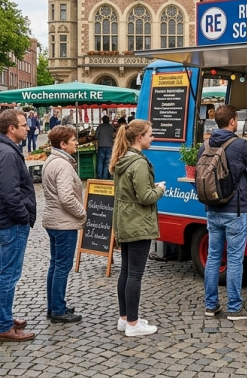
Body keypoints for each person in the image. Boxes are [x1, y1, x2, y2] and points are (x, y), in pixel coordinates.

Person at [201, 105, 247, 321]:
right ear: (233, 121)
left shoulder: (204, 145)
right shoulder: (239, 145)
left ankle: (210, 305)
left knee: (214, 257)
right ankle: (234, 308)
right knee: (234, 259)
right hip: (236, 211)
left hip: (212, 209)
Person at [0, 109, 36, 342]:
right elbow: (10, 194)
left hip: (2, 221)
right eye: (24, 125)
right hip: (10, 222)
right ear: (11, 128)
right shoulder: (6, 153)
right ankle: (3, 326)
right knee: (8, 275)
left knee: (1, 271)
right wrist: (23, 217)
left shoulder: (3, 149)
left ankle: (0, 318)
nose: (28, 128)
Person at [111, 119, 165, 337]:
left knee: (125, 272)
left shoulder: (122, 159)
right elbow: (145, 197)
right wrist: (159, 189)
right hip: (138, 223)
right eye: (151, 134)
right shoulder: (139, 163)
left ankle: (125, 318)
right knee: (134, 274)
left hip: (125, 221)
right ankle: (133, 324)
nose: (153, 138)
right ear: (139, 137)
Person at [42, 125, 86, 324]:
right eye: (73, 140)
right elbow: (66, 198)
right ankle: (58, 309)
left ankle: (54, 306)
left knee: (55, 265)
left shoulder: (52, 160)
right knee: (62, 266)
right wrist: (82, 213)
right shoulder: (63, 165)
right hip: (63, 223)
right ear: (62, 144)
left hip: (54, 220)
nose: (76, 142)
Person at [96, 115, 115, 180]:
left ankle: (99, 176)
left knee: (100, 161)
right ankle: (105, 177)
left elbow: (96, 136)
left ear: (102, 120)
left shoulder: (100, 127)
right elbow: (113, 136)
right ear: (108, 120)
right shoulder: (111, 127)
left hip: (101, 146)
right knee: (107, 162)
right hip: (109, 146)